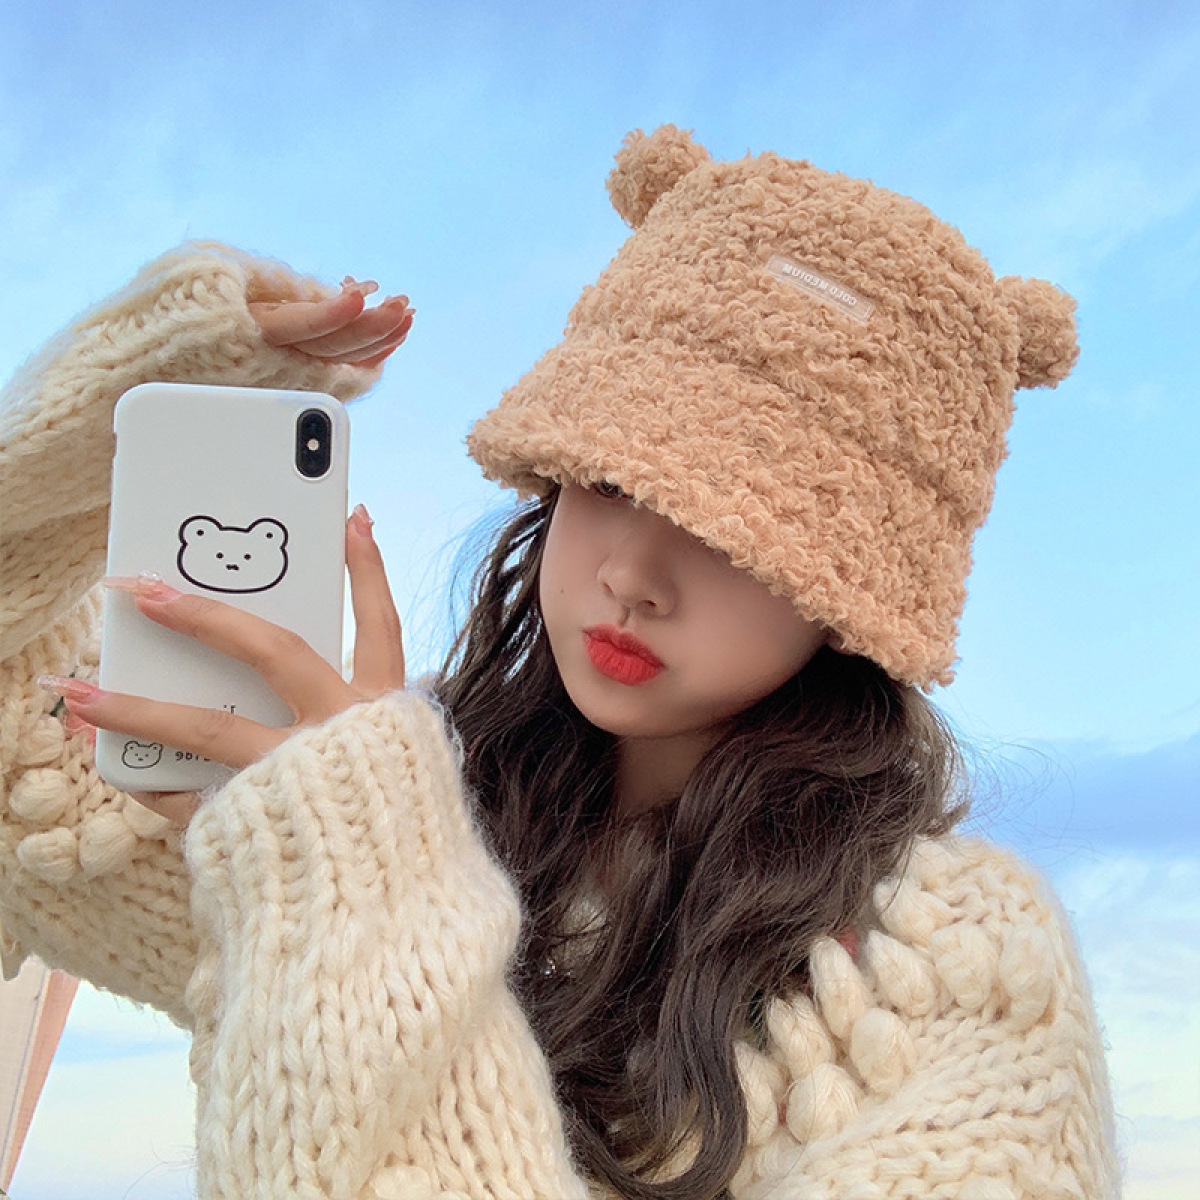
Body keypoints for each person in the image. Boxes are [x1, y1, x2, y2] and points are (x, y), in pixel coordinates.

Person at [0, 126, 1122, 1199]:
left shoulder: (954, 964)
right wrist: (136, 392)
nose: (634, 574)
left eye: (737, 530)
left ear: (855, 589)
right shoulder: (401, 794)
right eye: (610, 482)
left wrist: (361, 870)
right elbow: (20, 768)